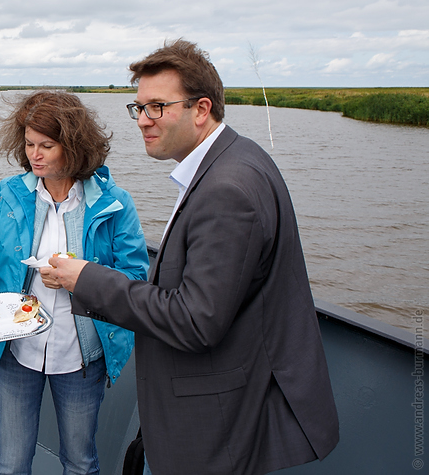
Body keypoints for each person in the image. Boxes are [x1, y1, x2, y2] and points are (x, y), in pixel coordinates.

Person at [42, 40, 340, 475]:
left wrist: (85, 278)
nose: (143, 121)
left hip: (213, 422)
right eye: (138, 108)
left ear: (202, 109)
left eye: (157, 107)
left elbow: (196, 320)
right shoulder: (239, 158)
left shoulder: (227, 190)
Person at [0, 90, 150, 475]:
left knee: (79, 460)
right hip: (18, 350)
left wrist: (82, 279)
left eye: (47, 145)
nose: (34, 155)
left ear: (74, 147)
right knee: (10, 462)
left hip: (80, 355)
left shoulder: (115, 203)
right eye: (28, 144)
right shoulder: (11, 192)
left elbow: (135, 278)